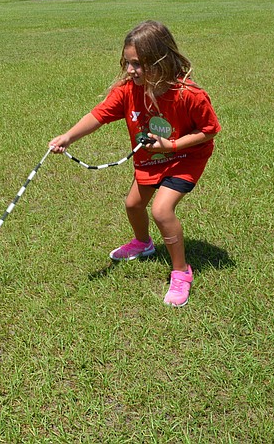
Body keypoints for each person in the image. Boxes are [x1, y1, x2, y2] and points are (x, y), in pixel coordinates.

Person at [49, 20, 221, 308]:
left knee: (162, 210)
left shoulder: (189, 95)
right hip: (150, 159)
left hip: (186, 158)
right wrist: (68, 136)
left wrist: (173, 145)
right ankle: (144, 244)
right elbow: (99, 115)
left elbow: (210, 129)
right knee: (133, 205)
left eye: (138, 64)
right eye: (128, 63)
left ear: (161, 60)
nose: (130, 70)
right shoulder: (128, 90)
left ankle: (181, 271)